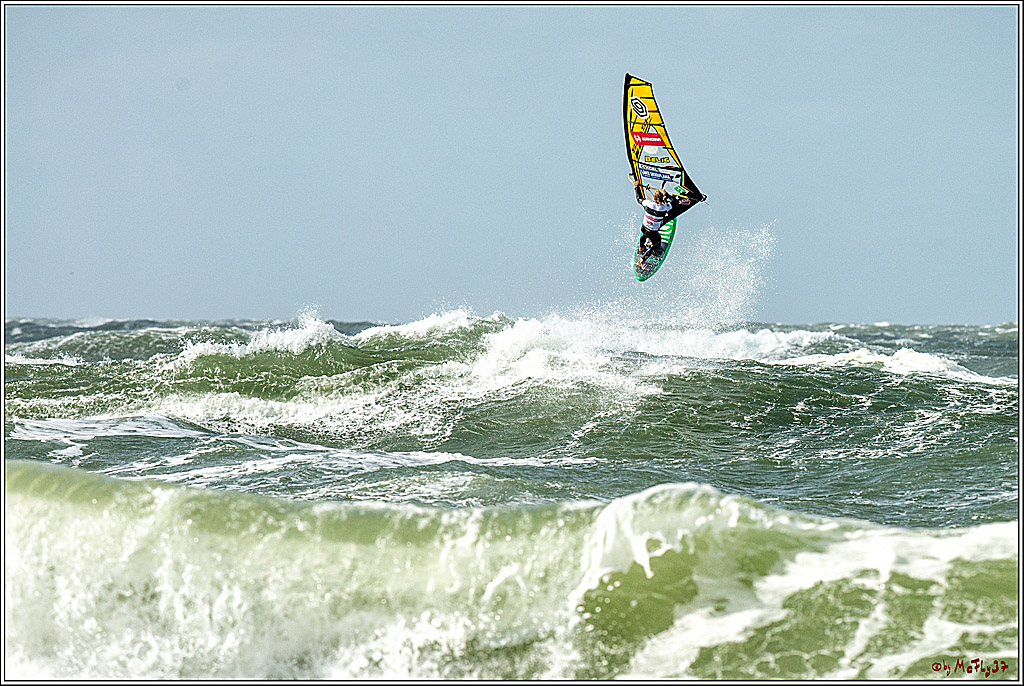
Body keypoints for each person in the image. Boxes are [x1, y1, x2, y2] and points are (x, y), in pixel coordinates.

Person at [633, 179, 675, 259]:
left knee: (645, 233)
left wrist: (636, 187)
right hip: (653, 232)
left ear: (654, 199)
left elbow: (639, 199)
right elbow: (674, 202)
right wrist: (666, 194)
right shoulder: (664, 208)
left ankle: (641, 247)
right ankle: (643, 259)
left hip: (644, 228)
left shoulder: (648, 204)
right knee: (657, 244)